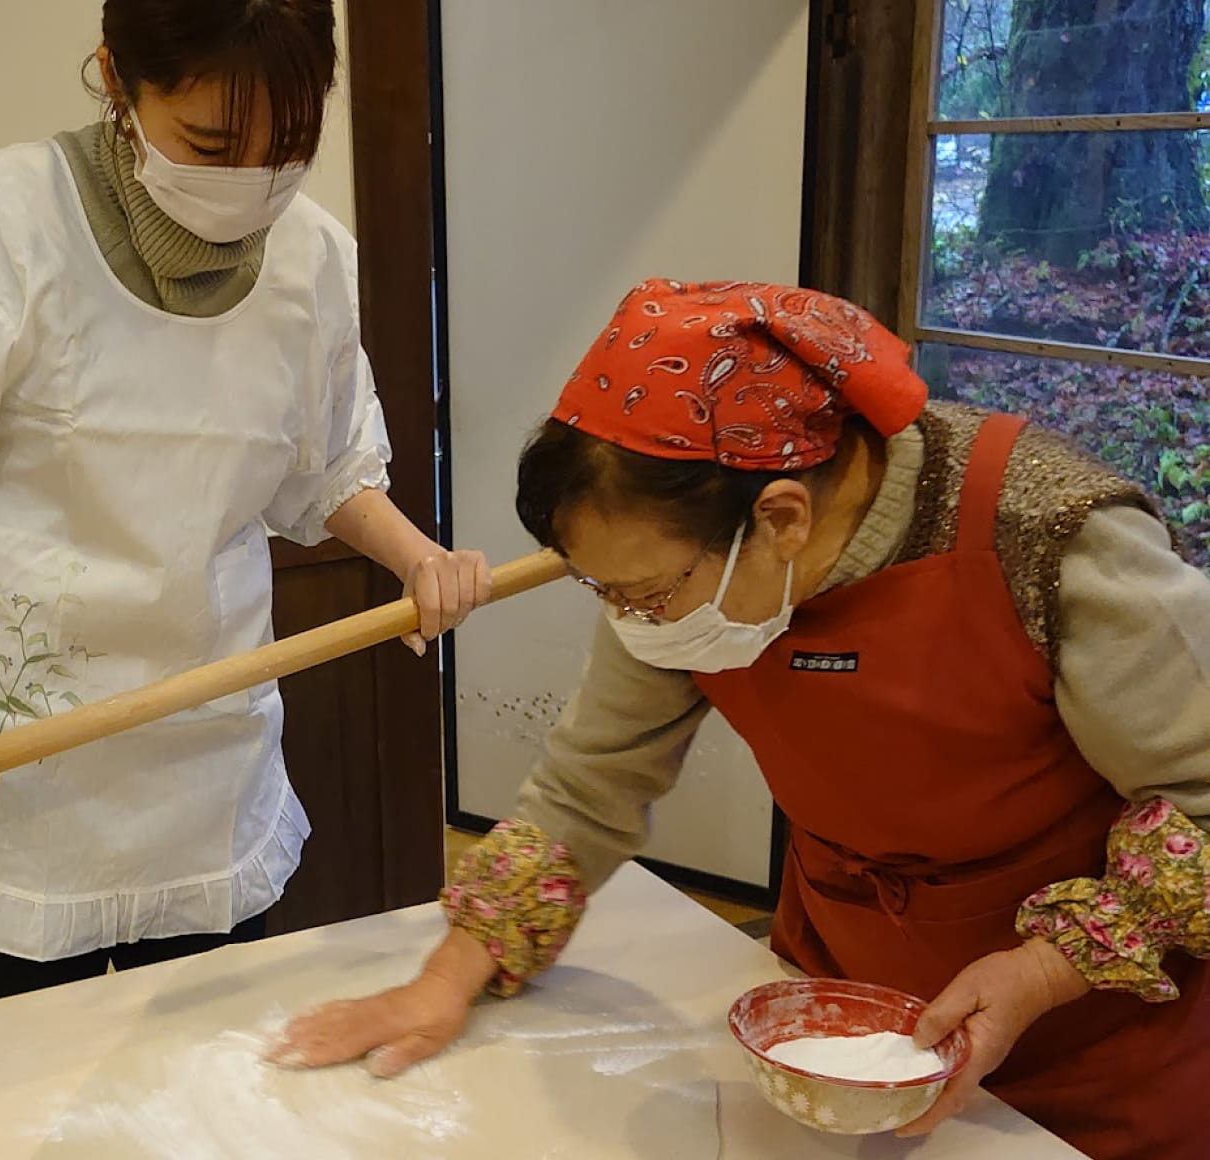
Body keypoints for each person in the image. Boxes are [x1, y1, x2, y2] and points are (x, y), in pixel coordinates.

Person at [271, 280, 1210, 1160]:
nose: (631, 620)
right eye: (608, 593)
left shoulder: (1052, 536)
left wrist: (1044, 973)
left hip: (1097, 1036)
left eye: (645, 593)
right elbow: (586, 787)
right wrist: (445, 979)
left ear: (783, 519)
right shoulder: (686, 586)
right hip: (838, 994)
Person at [0, 0, 488, 1011]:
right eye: (210, 142)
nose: (252, 181)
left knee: (205, 1078)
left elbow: (325, 464)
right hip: (11, 769)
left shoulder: (311, 257)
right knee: (26, 1086)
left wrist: (416, 554)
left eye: (288, 147)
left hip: (206, 766)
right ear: (117, 80)